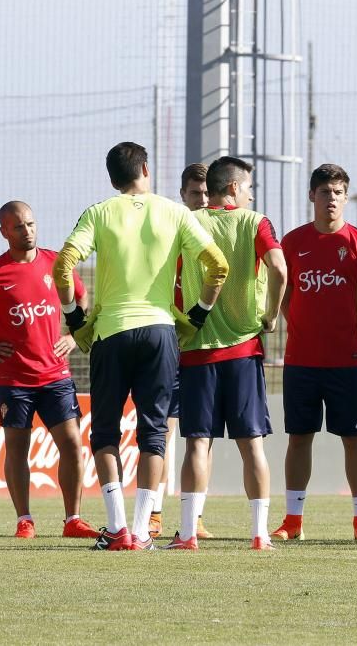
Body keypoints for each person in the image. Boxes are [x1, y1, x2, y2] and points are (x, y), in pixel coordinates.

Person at [53, 142, 227, 551]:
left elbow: (62, 266)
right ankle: (143, 531)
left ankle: (116, 529)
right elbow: (217, 265)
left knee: (106, 433)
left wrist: (76, 320)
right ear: (145, 169)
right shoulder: (175, 211)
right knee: (154, 433)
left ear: (112, 178)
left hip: (111, 332)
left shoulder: (99, 212)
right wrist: (198, 316)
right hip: (160, 331)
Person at [168, 155, 285, 551]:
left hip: (196, 351)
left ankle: (187, 534)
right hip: (243, 350)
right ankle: (259, 534)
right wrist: (270, 315)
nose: (252, 194)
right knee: (252, 444)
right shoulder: (254, 222)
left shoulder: (187, 222)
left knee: (198, 443)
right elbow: (280, 269)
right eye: (249, 186)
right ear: (234, 188)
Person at [0, 201, 98, 539]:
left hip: (56, 376)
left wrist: (74, 334)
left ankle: (73, 519)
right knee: (16, 448)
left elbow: (82, 300)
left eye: (30, 224)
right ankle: (24, 519)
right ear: (4, 231)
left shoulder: (56, 262)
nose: (27, 231)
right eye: (18, 226)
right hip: (14, 379)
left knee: (73, 444)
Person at [270, 164, 357, 543]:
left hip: (349, 360)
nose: (331, 199)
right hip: (301, 360)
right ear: (311, 196)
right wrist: (299, 322)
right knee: (299, 438)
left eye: (338, 192)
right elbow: (285, 297)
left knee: (354, 440)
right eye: (325, 192)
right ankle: (293, 521)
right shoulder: (292, 241)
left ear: (345, 197)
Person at [150, 162, 215, 540]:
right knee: (163, 431)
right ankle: (155, 513)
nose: (203, 201)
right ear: (183, 196)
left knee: (200, 436)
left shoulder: (214, 239)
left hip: (204, 351)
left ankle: (195, 516)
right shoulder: (170, 237)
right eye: (196, 194)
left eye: (208, 194)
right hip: (170, 348)